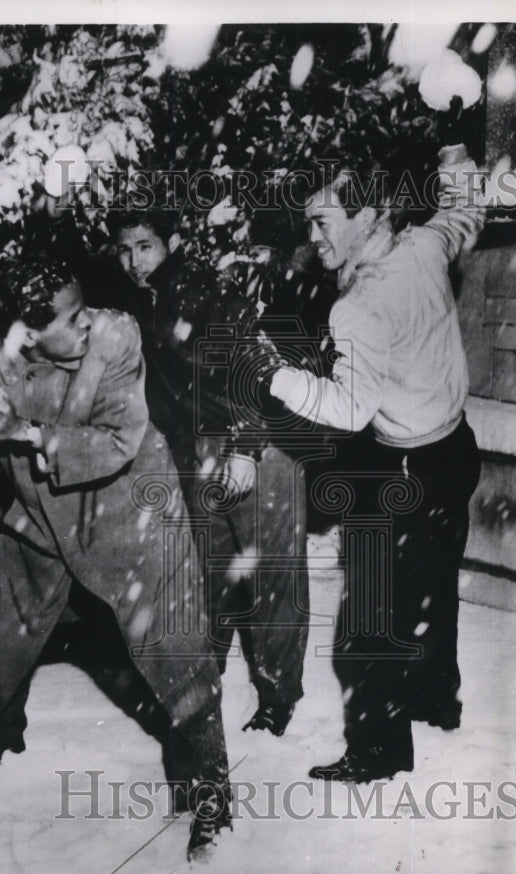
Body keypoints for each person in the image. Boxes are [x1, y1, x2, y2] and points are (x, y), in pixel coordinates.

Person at [0, 256, 232, 860]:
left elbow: (116, 443)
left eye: (83, 307)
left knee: (179, 658)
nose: (85, 323)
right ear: (25, 326)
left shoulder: (116, 335)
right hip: (42, 524)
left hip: (136, 515)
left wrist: (19, 431)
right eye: (70, 317)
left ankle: (211, 803)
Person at [261, 144, 484, 781]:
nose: (312, 236)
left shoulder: (357, 308)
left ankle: (380, 753)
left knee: (369, 614)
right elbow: (461, 210)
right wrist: (455, 155)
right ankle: (436, 698)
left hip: (407, 471)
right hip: (454, 451)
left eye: (322, 221)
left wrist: (278, 380)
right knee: (436, 583)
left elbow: (350, 408)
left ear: (368, 217)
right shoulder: (421, 247)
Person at [108, 209, 310, 737]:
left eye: (145, 245)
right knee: (207, 573)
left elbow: (257, 362)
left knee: (273, 575)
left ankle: (278, 696)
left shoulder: (203, 289)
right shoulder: (140, 298)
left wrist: (244, 448)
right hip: (201, 448)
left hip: (259, 442)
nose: (134, 261)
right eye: (125, 248)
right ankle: (203, 687)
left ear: (170, 241)